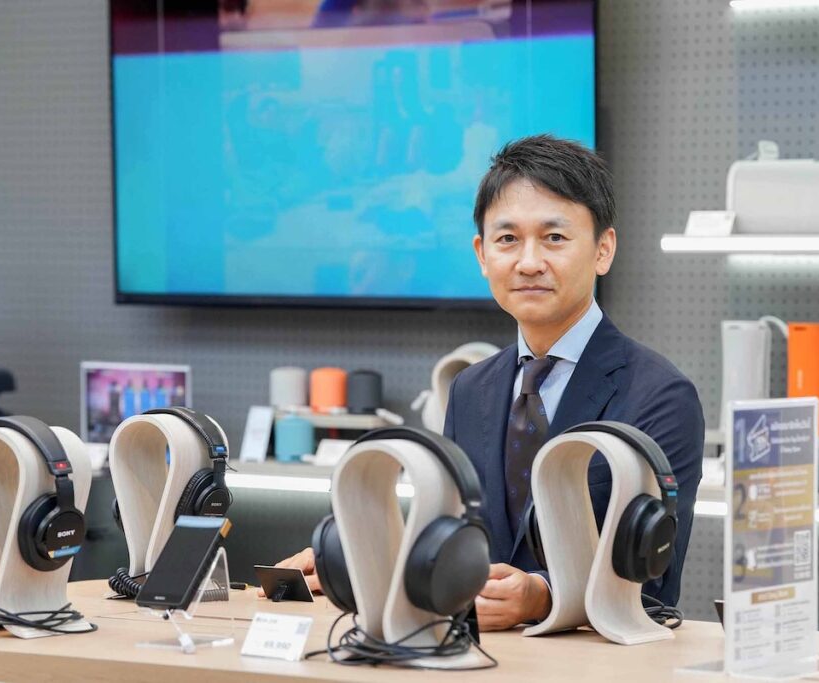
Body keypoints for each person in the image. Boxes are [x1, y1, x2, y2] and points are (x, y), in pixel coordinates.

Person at [261, 134, 704, 632]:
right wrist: (358, 563)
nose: (529, 262)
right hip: (480, 655)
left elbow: (655, 580)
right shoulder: (470, 389)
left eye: (554, 238)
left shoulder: (661, 396)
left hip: (598, 660)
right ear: (482, 254)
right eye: (508, 239)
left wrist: (543, 596)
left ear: (603, 250)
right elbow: (454, 540)